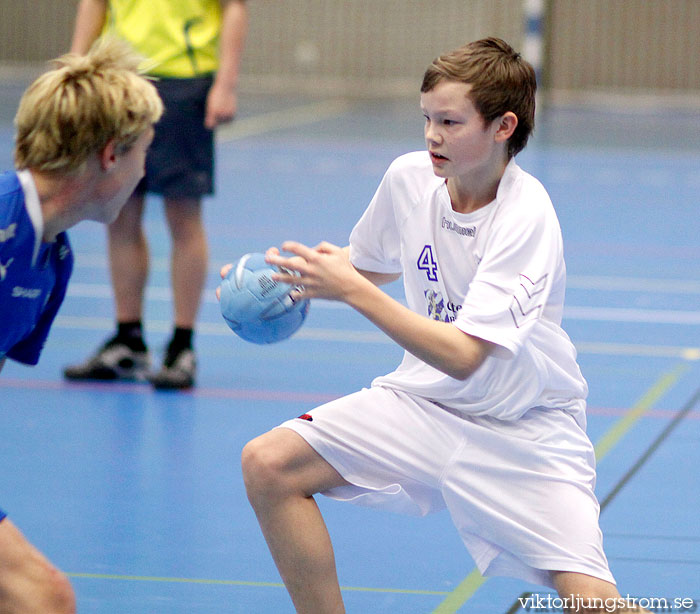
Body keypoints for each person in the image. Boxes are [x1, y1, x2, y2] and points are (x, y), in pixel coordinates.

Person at [229, 38, 650, 613]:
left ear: (503, 127)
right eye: (426, 118)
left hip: (523, 430)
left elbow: (464, 354)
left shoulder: (527, 215)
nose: (432, 135)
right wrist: (279, 277)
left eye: (450, 122)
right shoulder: (409, 178)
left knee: (592, 602)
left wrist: (351, 291)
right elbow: (365, 263)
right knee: (269, 463)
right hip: (423, 406)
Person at [0, 37, 163, 614]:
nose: (147, 168)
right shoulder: (3, 223)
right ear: (113, 154)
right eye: (145, 150)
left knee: (43, 597)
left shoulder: (52, 260)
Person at [63, 0, 248, 389]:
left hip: (184, 81)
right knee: (118, 213)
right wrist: (76, 70)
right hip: (119, 78)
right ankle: (127, 340)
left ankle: (182, 345)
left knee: (183, 216)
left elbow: (234, 7)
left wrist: (225, 84)